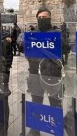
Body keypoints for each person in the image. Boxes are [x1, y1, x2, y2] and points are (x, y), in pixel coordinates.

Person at [25, 7, 64, 136]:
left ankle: (56, 128)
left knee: (55, 103)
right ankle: (35, 129)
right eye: (40, 17)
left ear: (50, 18)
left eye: (45, 17)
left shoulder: (57, 33)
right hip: (35, 72)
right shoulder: (31, 34)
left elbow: (65, 49)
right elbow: (27, 52)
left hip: (53, 74)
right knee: (36, 101)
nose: (42, 19)